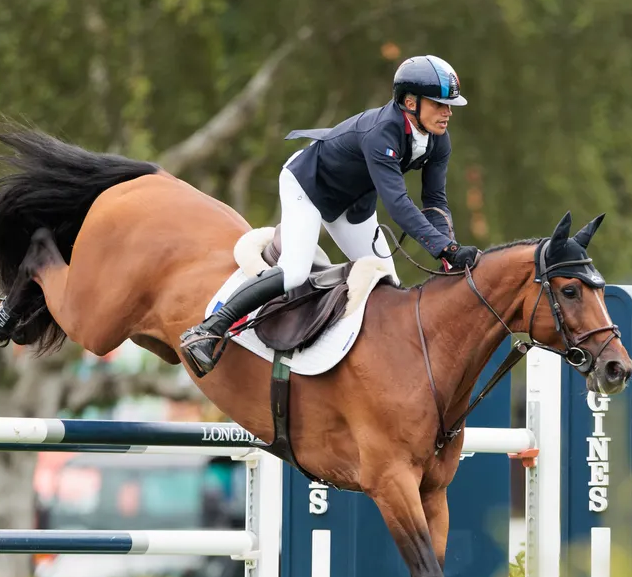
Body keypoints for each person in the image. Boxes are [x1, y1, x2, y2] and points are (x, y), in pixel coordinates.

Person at [180, 55, 481, 376]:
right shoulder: (382, 133)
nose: (448, 113)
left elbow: (434, 200)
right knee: (294, 272)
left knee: (389, 287)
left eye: (449, 106)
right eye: (439, 104)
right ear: (410, 102)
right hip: (309, 187)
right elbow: (398, 204)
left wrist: (449, 253)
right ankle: (208, 330)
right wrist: (445, 248)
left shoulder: (438, 139)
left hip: (354, 202)